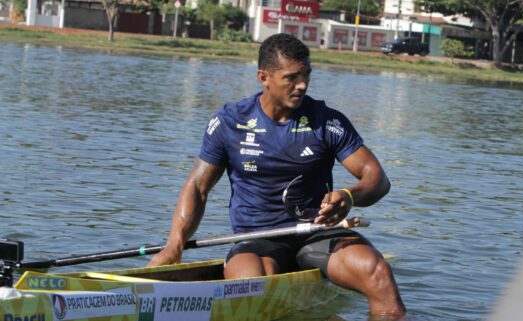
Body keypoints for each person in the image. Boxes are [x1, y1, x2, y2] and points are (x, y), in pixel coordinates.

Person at [148, 33, 406, 318]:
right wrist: (174, 246)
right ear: (264, 77)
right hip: (259, 239)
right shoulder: (229, 122)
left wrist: (349, 195)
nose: (302, 85)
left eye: (306, 74)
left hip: (318, 234)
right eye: (292, 77)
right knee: (247, 288)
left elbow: (377, 178)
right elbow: (198, 187)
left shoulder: (326, 121)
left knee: (378, 272)